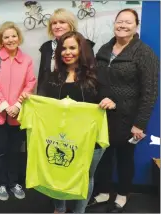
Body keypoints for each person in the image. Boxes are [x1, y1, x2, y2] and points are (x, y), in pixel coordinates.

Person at [19, 31, 116, 213]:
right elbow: (43, 103)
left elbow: (108, 97)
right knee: (57, 170)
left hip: (89, 139)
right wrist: (29, 99)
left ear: (82, 50)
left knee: (85, 175)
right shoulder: (53, 77)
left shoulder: (96, 75)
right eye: (63, 48)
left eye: (72, 47)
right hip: (60, 139)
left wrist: (109, 101)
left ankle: (79, 211)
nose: (67, 52)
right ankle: (59, 208)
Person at [89, 8, 159, 213]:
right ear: (114, 23)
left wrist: (140, 124)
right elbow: (95, 81)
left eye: (128, 22)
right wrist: (100, 98)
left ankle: (122, 195)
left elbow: (150, 93)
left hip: (128, 119)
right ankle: (102, 192)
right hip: (102, 115)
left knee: (125, 159)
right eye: (119, 21)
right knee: (103, 156)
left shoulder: (145, 53)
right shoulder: (104, 49)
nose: (122, 25)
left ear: (136, 26)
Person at [0, 21, 37, 201]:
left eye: (13, 36)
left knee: (15, 151)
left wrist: (18, 105)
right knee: (0, 151)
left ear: (19, 38)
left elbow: (30, 83)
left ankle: (14, 182)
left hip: (18, 114)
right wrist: (5, 106)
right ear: (1, 39)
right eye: (6, 37)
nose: (10, 39)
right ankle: (1, 184)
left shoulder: (27, 60)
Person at [36, 8, 95, 96]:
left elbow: (91, 73)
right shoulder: (46, 47)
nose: (57, 26)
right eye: (54, 23)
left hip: (78, 96)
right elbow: (42, 76)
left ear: (70, 24)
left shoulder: (85, 44)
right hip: (51, 97)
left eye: (62, 22)